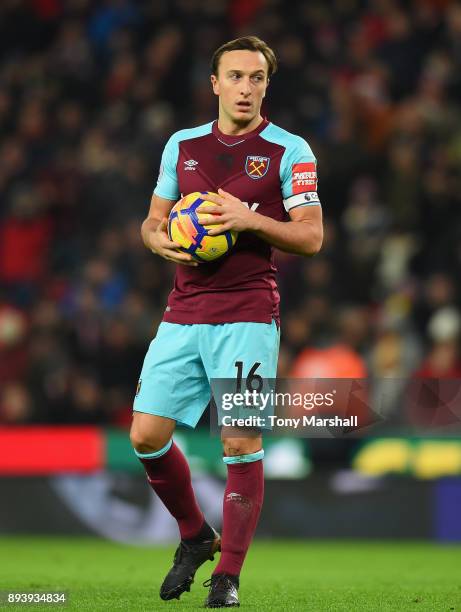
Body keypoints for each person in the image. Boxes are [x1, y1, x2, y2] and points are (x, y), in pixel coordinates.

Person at [130, 35, 323, 608]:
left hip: (247, 314)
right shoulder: (182, 145)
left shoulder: (290, 150)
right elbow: (152, 222)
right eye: (235, 76)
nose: (245, 87)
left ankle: (228, 576)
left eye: (256, 78)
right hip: (183, 311)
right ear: (215, 83)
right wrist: (160, 243)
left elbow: (311, 236)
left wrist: (249, 218)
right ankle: (195, 536)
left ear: (267, 84)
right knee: (145, 436)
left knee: (240, 439)